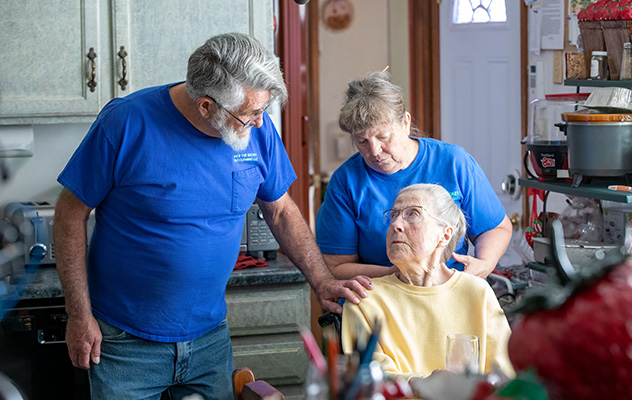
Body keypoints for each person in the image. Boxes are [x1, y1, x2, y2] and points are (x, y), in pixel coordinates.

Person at [53, 32, 369, 400]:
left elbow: (281, 211)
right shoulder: (125, 124)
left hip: (209, 339)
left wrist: (322, 280)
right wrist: (79, 315)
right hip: (124, 342)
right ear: (206, 107)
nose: (261, 123)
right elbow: (68, 217)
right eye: (251, 113)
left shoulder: (257, 132)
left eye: (264, 110)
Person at [316, 71, 512, 280]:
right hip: (380, 296)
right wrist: (399, 275)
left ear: (405, 122)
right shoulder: (346, 182)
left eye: (383, 137)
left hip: (447, 289)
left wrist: (482, 265)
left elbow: (496, 228)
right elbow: (336, 266)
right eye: (362, 141)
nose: (374, 151)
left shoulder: (453, 162)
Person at [340, 184, 514, 388]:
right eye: (393, 215)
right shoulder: (364, 299)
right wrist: (420, 384)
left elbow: (505, 374)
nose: (396, 224)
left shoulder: (477, 292)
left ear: (445, 235)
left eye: (412, 214)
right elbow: (368, 378)